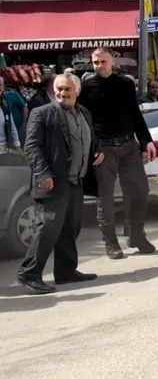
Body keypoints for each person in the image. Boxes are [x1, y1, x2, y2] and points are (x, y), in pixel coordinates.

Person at [16, 74, 104, 294]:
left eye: (67, 89)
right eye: (59, 89)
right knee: (48, 229)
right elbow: (32, 147)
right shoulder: (42, 113)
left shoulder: (84, 113)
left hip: (76, 181)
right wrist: (43, 172)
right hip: (52, 182)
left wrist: (97, 150)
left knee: (70, 227)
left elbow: (90, 138)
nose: (63, 93)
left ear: (77, 91)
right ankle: (29, 273)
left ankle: (66, 272)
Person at [78, 48, 157, 259]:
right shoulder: (86, 88)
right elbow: (84, 123)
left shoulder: (125, 84)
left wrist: (146, 141)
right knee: (105, 198)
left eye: (102, 61)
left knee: (140, 190)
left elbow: (135, 113)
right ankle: (110, 242)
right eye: (95, 62)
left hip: (129, 145)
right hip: (103, 148)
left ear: (112, 62)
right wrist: (93, 149)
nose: (98, 66)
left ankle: (136, 235)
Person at [1, 77, 27, 142]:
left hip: (15, 128)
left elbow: (25, 108)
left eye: (0, 85)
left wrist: (24, 123)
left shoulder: (12, 96)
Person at [0, 76, 21, 152]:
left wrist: (17, 145)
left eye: (1, 85)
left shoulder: (5, 105)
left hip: (4, 149)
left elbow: (12, 126)